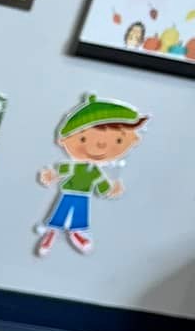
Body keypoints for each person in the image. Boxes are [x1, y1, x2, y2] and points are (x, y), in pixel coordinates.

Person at [35, 96, 147, 257]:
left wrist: (111, 190)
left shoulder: (95, 171)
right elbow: (60, 171)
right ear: (64, 140)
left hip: (83, 196)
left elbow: (101, 186)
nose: (100, 145)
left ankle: (76, 233)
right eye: (83, 138)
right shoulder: (75, 166)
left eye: (117, 140)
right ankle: (52, 232)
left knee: (79, 217)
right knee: (60, 214)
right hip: (68, 193)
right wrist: (51, 176)